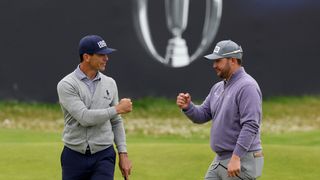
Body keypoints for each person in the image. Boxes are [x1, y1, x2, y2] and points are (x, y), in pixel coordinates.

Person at [176, 40, 264, 180]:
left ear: (233, 60)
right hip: (221, 159)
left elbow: (251, 125)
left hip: (241, 159)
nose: (214, 65)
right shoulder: (218, 87)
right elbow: (203, 115)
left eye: (218, 61)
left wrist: (236, 157)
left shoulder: (247, 86)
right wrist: (188, 107)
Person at [57, 35, 132, 180]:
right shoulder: (66, 84)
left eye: (107, 55)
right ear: (86, 57)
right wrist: (117, 109)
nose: (106, 58)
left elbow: (116, 122)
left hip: (104, 155)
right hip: (73, 157)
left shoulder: (110, 83)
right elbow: (84, 117)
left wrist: (123, 154)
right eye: (101, 55)